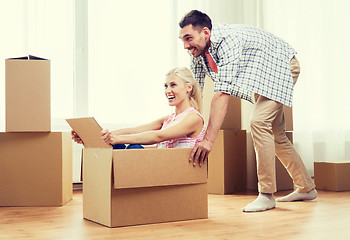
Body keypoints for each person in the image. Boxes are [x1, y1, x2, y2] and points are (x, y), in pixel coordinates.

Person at [178, 10, 317, 212]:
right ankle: (306, 187)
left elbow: (221, 94)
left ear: (205, 33)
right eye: (182, 39)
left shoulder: (228, 41)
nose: (185, 45)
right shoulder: (198, 53)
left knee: (258, 122)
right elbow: (196, 92)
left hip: (283, 65)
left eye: (188, 38)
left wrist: (208, 140)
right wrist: (184, 121)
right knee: (276, 135)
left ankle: (266, 194)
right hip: (262, 74)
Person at [72, 67, 206, 150]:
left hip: (173, 168)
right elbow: (134, 130)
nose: (168, 91)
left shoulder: (193, 118)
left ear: (188, 87)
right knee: (113, 144)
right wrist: (99, 136)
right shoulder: (169, 118)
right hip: (162, 164)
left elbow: (159, 136)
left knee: (133, 147)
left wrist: (117, 139)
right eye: (165, 86)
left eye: (173, 85)